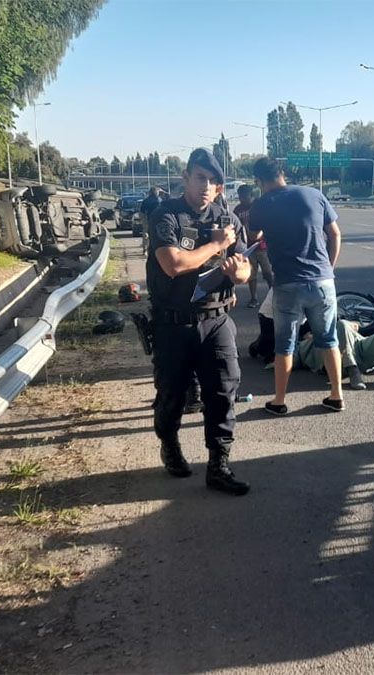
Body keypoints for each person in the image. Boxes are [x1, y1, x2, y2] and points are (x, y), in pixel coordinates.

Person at [146, 148, 252, 495]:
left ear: (221, 189)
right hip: (173, 324)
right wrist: (215, 245)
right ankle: (170, 445)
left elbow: (245, 266)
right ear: (186, 179)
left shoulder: (230, 221)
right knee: (172, 393)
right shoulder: (167, 215)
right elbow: (173, 264)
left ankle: (218, 464)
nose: (207, 186)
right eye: (200, 178)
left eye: (214, 181)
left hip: (217, 319)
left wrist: (240, 274)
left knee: (223, 390)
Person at [248, 157, 344, 415]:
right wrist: (328, 268)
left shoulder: (261, 204)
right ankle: (336, 395)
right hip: (323, 281)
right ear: (282, 173)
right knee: (328, 340)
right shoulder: (314, 194)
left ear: (259, 181)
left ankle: (279, 401)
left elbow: (253, 237)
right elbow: (334, 233)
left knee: (284, 345)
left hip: (288, 284)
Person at [234, 183, 273, 309]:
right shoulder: (238, 210)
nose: (241, 199)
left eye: (244, 197)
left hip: (261, 246)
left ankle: (275, 295)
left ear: (250, 195)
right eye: (240, 197)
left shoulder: (257, 206)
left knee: (267, 273)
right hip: (247, 248)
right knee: (252, 275)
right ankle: (254, 298)